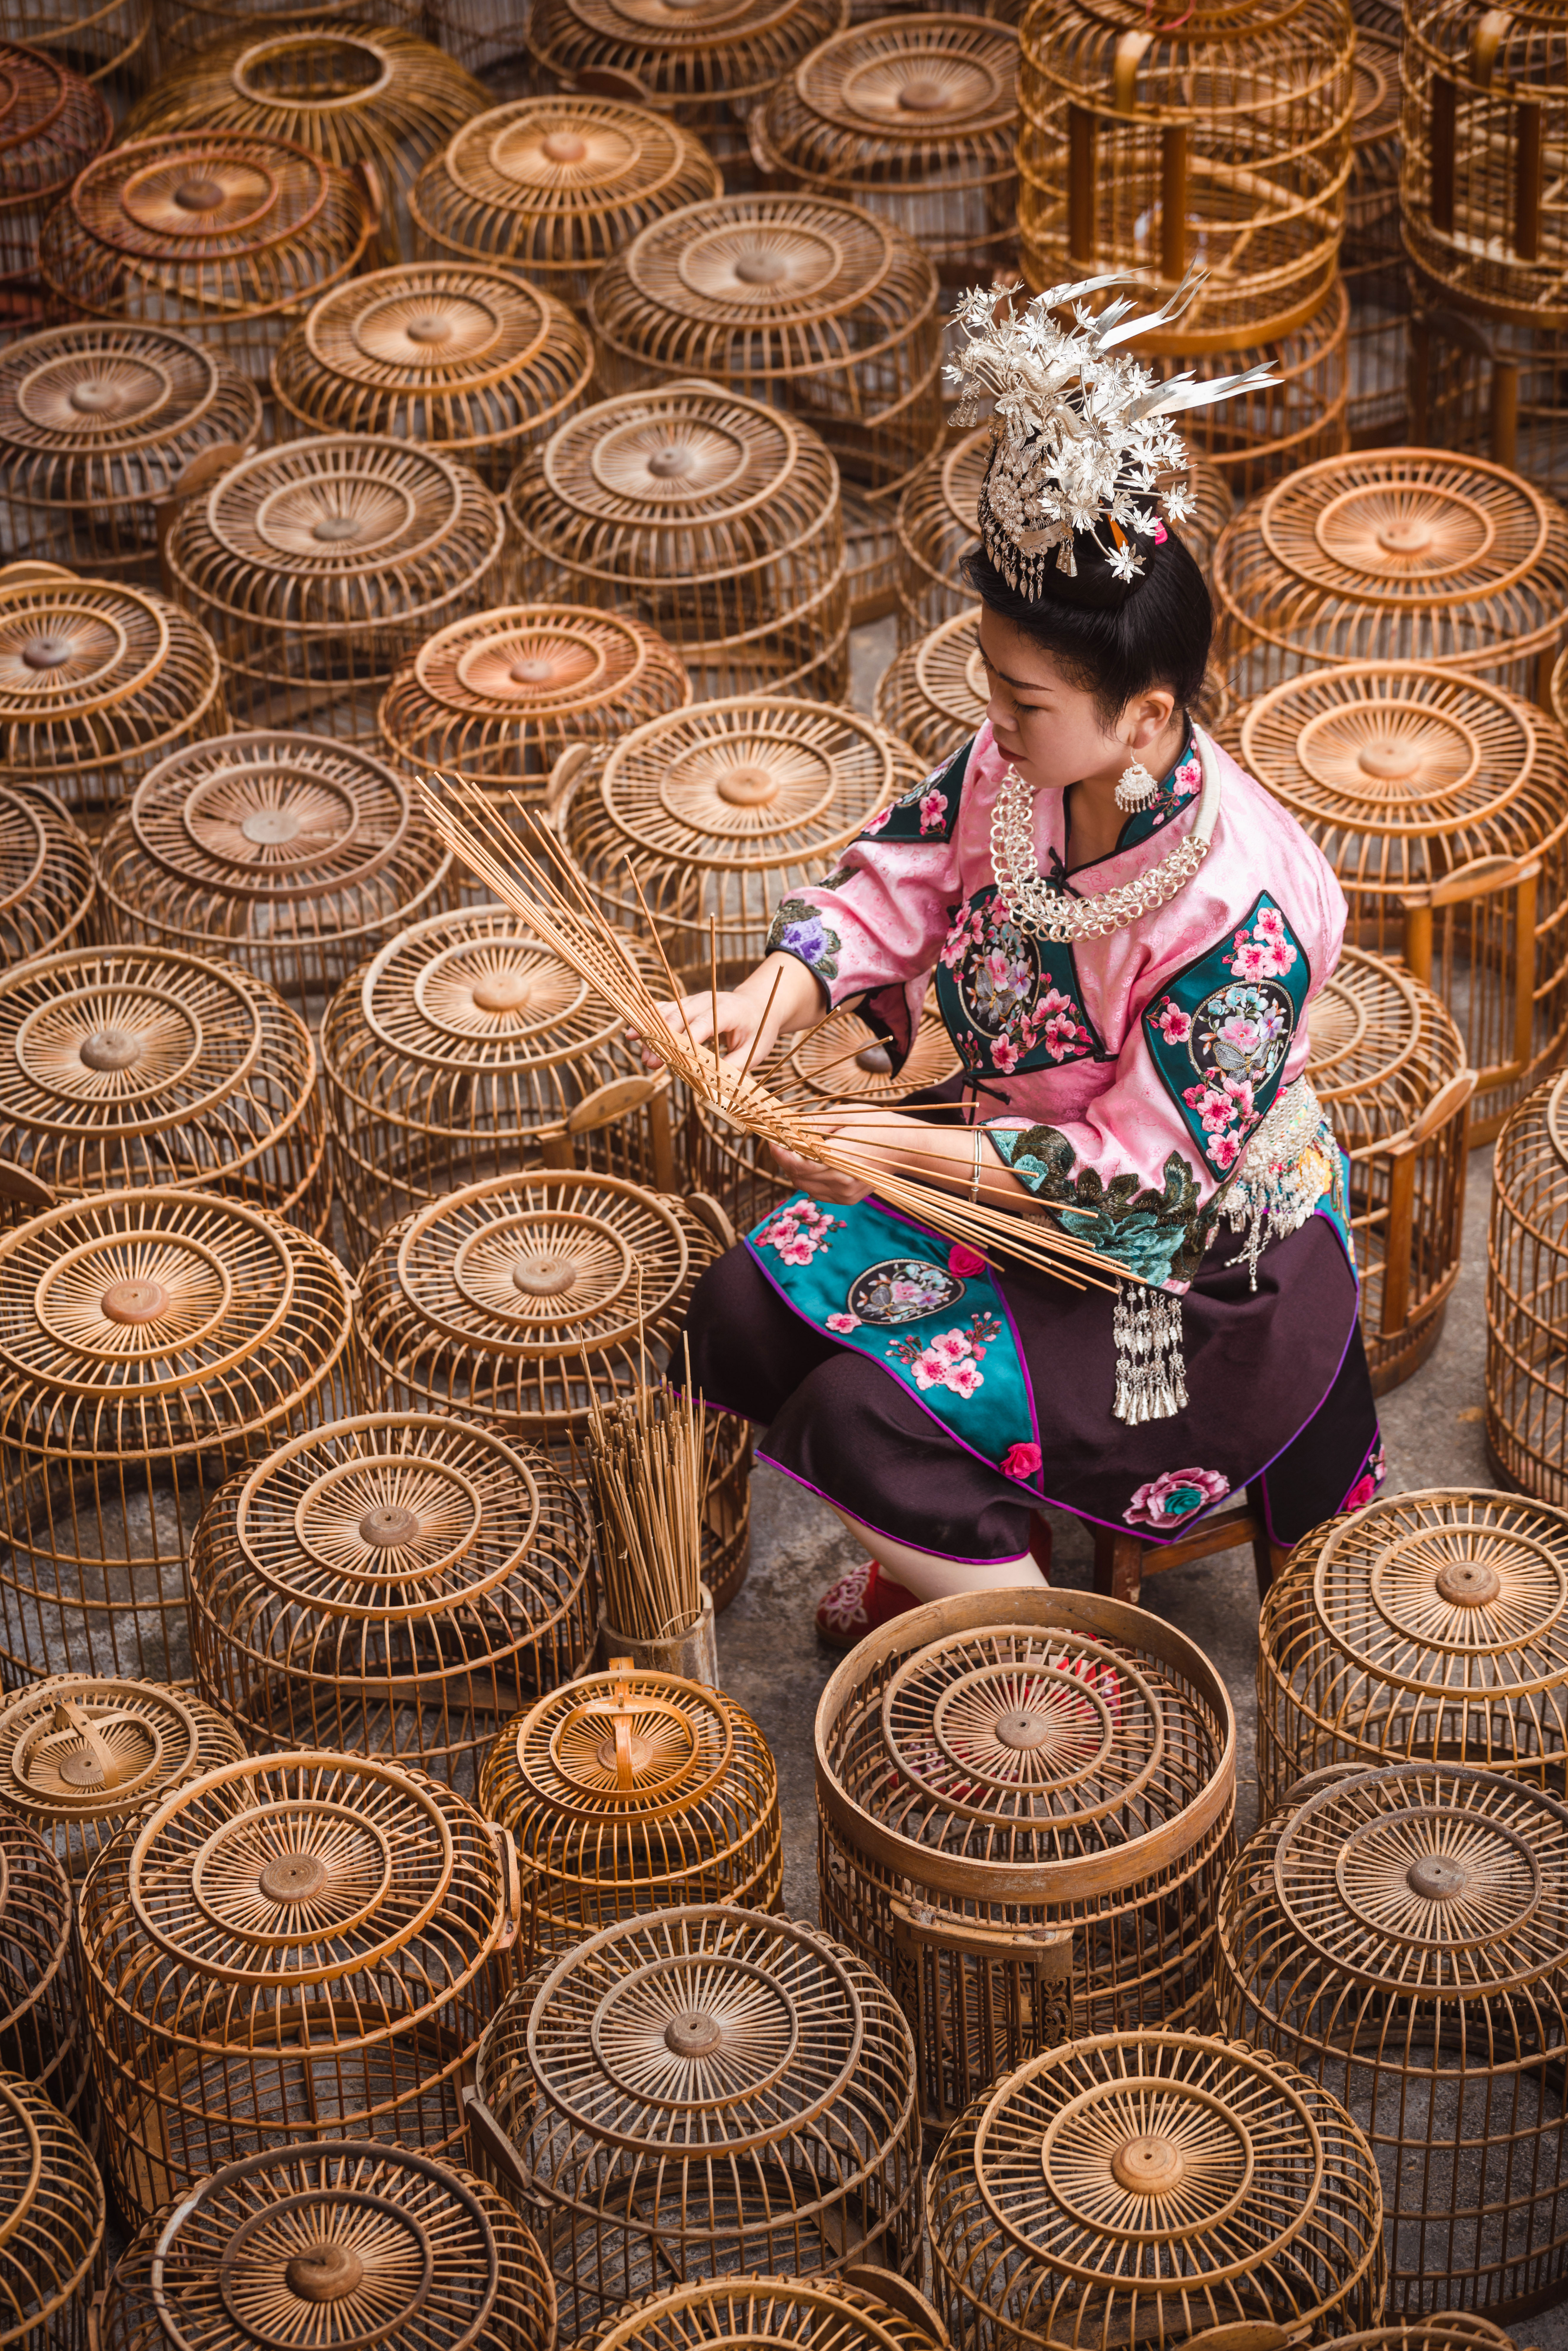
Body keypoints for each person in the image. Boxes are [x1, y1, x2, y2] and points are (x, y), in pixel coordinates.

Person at [650, 275, 1383, 1647]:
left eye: (1022, 698)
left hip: (1183, 1274)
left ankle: (1058, 1672)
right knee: (742, 1305)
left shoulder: (1244, 918)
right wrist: (773, 992)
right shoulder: (1022, 756)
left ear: (1147, 714)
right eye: (994, 683)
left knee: (856, 1417)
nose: (990, 719)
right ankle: (948, 1540)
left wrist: (886, 1152)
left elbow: (1138, 1175)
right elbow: (911, 869)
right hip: (992, 1173)